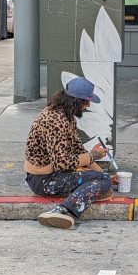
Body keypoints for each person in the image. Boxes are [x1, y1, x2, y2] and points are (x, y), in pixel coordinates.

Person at [25, 77, 116, 229]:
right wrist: (93, 157)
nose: (87, 106)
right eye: (85, 102)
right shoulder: (55, 120)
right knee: (102, 183)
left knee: (104, 181)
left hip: (50, 175)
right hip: (43, 180)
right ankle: (63, 210)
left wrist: (100, 174)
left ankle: (68, 206)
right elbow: (62, 164)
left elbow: (77, 150)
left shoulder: (66, 116)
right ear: (76, 101)